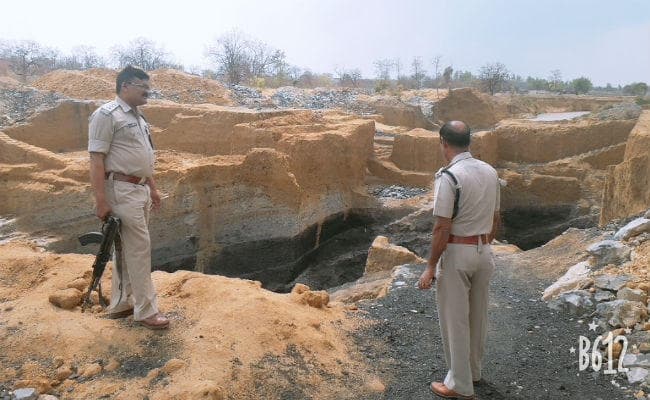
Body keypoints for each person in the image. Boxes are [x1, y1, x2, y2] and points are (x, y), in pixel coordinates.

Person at [418, 121, 500, 399]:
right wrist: (483, 245)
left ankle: (459, 386)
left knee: (455, 320)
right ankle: (473, 372)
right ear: (469, 141)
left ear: (443, 142)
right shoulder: (490, 171)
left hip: (457, 253)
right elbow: (496, 219)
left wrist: (431, 266)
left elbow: (442, 227)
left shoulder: (449, 176)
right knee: (478, 316)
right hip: (484, 252)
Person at [88, 65, 169, 330]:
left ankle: (121, 303)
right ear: (125, 86)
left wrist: (152, 188)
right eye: (142, 86)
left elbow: (143, 157)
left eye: (148, 86)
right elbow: (96, 159)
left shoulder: (139, 117)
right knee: (139, 249)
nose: (148, 91)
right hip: (121, 189)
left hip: (140, 189)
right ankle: (147, 310)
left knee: (126, 250)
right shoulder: (106, 115)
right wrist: (101, 200)